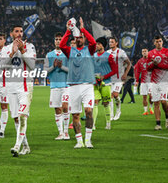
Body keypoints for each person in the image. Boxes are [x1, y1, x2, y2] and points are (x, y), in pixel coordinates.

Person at [59, 17, 96, 149]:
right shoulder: (70, 51)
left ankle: (88, 139)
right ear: (75, 39)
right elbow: (62, 45)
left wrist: (83, 29)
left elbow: (93, 43)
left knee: (88, 111)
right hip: (73, 86)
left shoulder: (89, 50)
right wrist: (68, 31)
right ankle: (79, 141)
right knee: (75, 114)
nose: (79, 39)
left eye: (81, 37)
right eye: (78, 37)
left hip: (87, 86)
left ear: (84, 39)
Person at [3, 25, 36, 157]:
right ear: (11, 34)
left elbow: (32, 66)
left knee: (22, 116)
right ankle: (26, 146)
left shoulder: (30, 47)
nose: (19, 34)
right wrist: (12, 52)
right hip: (11, 88)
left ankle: (17, 145)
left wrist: (22, 51)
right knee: (16, 119)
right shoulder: (6, 48)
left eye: (21, 31)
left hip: (25, 87)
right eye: (16, 31)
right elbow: (1, 67)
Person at [44, 32, 70, 140]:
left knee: (65, 107)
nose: (58, 41)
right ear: (54, 41)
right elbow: (45, 72)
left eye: (60, 39)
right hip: (54, 85)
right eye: (56, 39)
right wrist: (54, 67)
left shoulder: (68, 54)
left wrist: (61, 67)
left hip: (66, 85)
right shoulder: (49, 55)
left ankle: (66, 132)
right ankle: (60, 133)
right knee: (57, 110)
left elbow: (72, 71)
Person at [147, 35, 168, 130]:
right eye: (157, 41)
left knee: (163, 101)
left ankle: (167, 117)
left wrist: (158, 65)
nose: (159, 43)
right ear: (154, 43)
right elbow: (148, 68)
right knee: (156, 103)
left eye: (160, 41)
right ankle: (158, 124)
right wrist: (153, 65)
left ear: (162, 42)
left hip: (165, 80)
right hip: (154, 81)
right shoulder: (150, 53)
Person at [93, 37, 116, 130]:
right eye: (96, 44)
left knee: (106, 103)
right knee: (95, 102)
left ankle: (108, 123)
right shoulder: (93, 56)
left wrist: (104, 77)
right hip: (95, 84)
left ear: (102, 45)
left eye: (98, 44)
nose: (96, 45)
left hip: (106, 83)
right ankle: (93, 124)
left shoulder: (109, 56)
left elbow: (114, 70)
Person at [107, 37, 131, 121]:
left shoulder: (121, 52)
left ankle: (118, 111)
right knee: (110, 97)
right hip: (110, 78)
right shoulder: (107, 53)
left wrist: (125, 74)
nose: (110, 43)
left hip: (119, 78)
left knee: (115, 94)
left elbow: (129, 63)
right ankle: (111, 115)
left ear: (116, 43)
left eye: (112, 42)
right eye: (110, 42)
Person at [134, 49, 153, 115]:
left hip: (151, 81)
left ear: (148, 52)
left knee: (151, 96)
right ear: (142, 53)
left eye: (145, 51)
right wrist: (136, 80)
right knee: (144, 96)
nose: (144, 53)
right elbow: (138, 71)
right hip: (143, 81)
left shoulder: (152, 60)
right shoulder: (140, 61)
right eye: (143, 52)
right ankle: (145, 111)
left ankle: (151, 107)